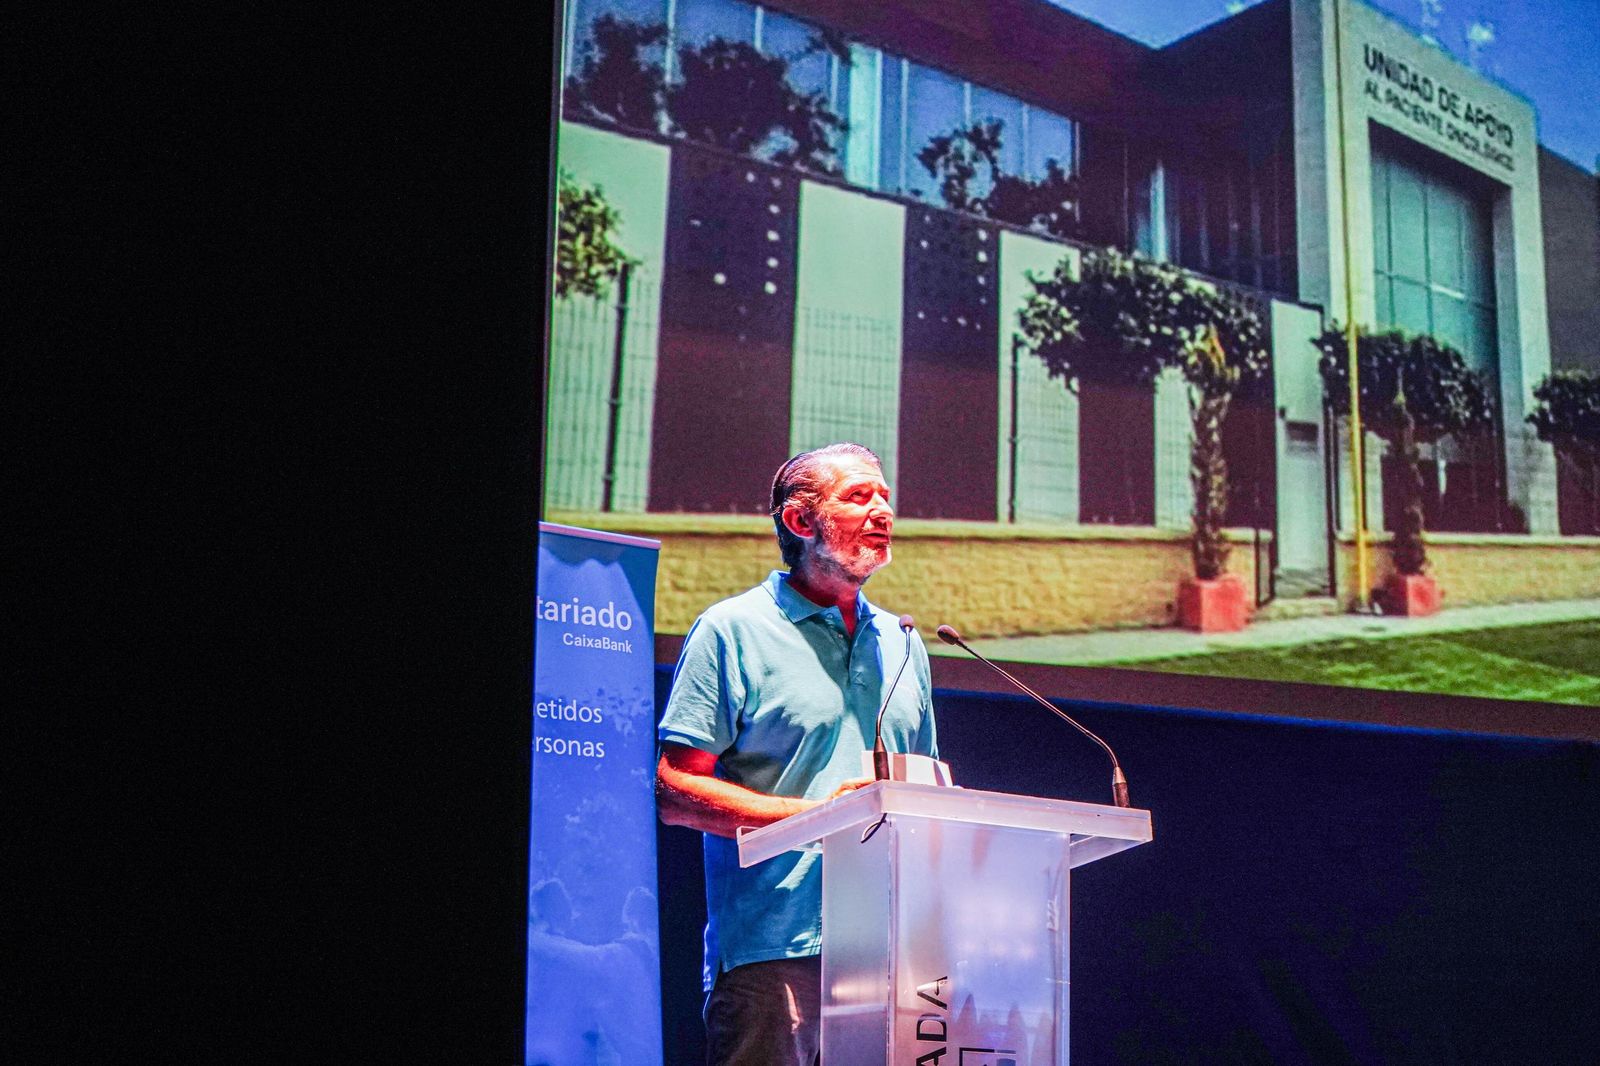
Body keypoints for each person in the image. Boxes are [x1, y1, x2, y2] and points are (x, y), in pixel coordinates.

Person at [656, 442, 938, 1066]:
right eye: (859, 496)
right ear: (800, 520)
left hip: (890, 948)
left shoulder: (903, 641)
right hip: (775, 946)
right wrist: (816, 818)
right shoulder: (733, 629)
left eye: (885, 497)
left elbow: (926, 791)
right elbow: (675, 789)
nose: (882, 510)